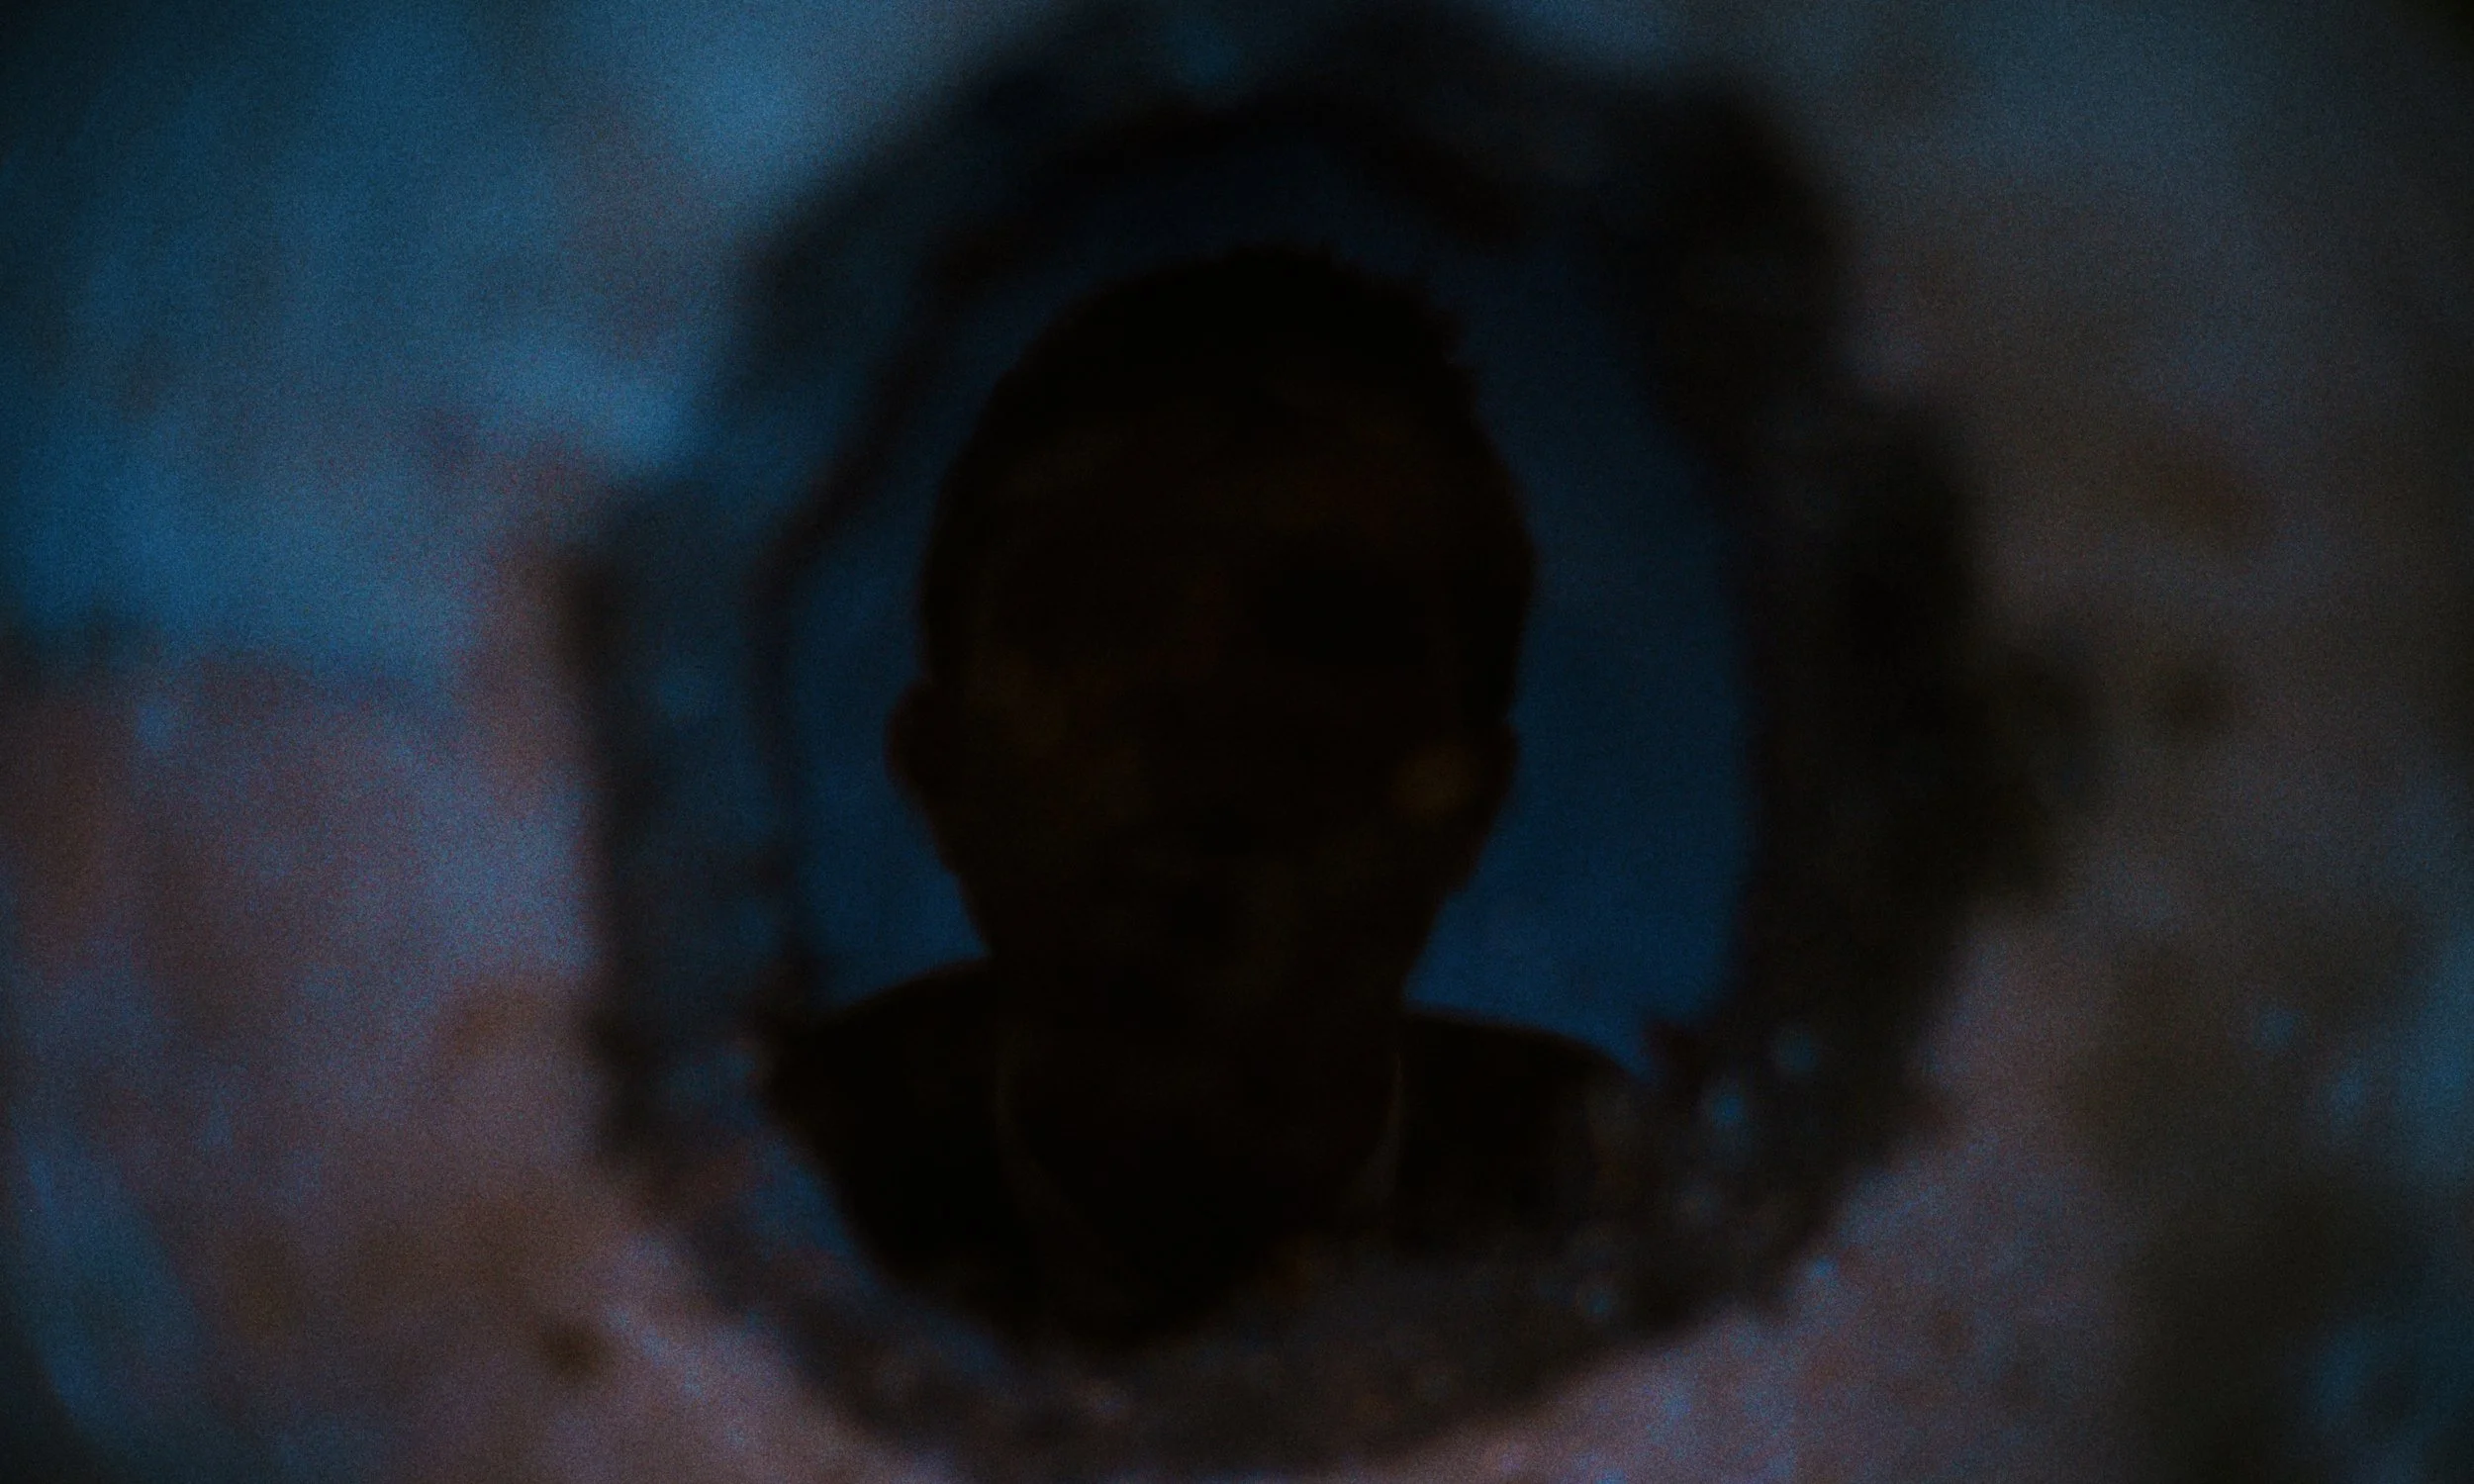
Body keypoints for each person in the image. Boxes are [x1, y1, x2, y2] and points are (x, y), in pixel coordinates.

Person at [763, 247, 1641, 1345]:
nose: (1204, 709)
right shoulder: (762, 1179)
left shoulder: (1614, 1198)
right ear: (938, 765)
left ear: (1471, 800)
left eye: (1321, 629)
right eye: (1098, 615)